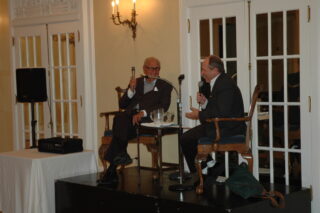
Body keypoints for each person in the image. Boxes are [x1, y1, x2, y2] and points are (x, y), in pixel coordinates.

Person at [100, 57, 173, 185]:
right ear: (144, 69)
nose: (154, 71)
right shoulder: (137, 82)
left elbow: (163, 106)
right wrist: (131, 90)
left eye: (157, 68)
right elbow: (122, 104)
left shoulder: (165, 85)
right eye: (151, 68)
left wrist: (143, 113)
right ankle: (120, 156)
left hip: (147, 122)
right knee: (120, 117)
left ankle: (112, 169)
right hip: (129, 119)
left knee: (120, 125)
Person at [181, 55, 246, 173]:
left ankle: (199, 173)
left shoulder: (224, 84)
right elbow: (219, 108)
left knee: (186, 139)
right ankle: (209, 164)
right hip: (221, 125)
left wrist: (199, 115)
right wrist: (205, 103)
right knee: (188, 138)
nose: (202, 73)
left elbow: (221, 113)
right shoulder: (221, 81)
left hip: (228, 128)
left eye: (204, 70)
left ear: (215, 70)